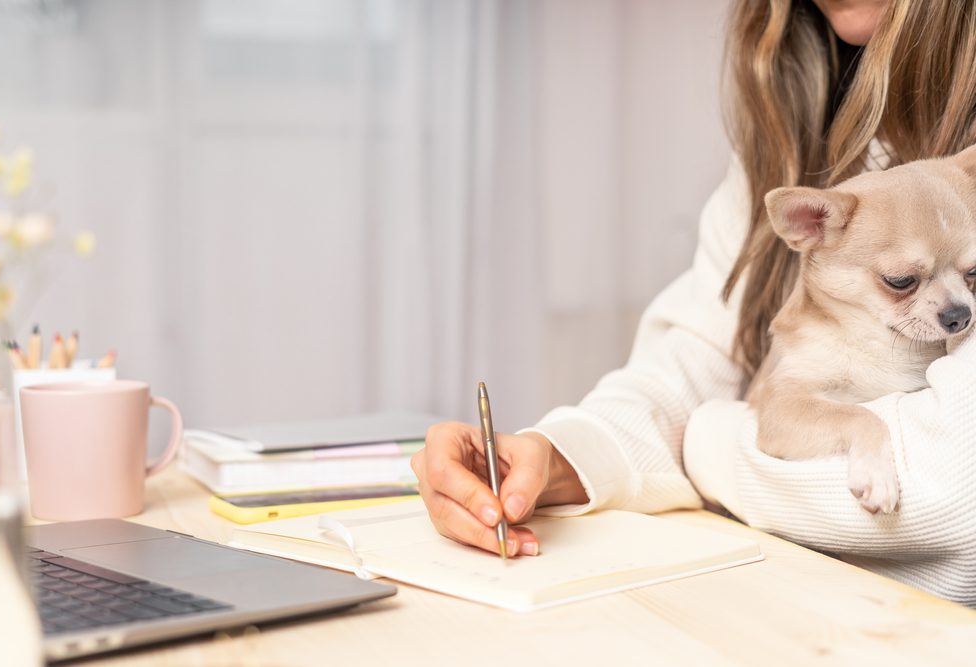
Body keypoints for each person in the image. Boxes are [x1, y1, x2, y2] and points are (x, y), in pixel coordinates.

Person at [412, 0, 976, 606]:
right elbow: (698, 355)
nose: (953, 304)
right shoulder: (796, 124)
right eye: (900, 281)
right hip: (788, 608)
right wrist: (558, 456)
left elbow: (952, 493)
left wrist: (707, 443)